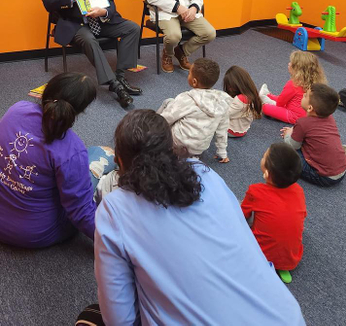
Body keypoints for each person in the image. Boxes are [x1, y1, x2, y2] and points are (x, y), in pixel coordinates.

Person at [83, 109, 305, 325]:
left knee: (91, 315)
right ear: (172, 149)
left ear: (120, 162)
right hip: (286, 315)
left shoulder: (114, 209)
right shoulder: (205, 173)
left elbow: (118, 319)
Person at [0, 73, 116, 248]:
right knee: (100, 153)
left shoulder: (16, 110)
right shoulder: (72, 148)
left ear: (46, 91)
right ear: (81, 110)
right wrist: (119, 247)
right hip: (32, 234)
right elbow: (81, 213)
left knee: (76, 161)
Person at [42, 0, 142, 108]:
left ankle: (120, 75)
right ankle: (115, 86)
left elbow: (111, 3)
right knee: (89, 40)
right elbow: (48, 2)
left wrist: (104, 12)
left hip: (100, 21)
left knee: (132, 28)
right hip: (74, 23)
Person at [241, 143, 306, 284]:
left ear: (267, 174)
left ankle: (266, 262)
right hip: (292, 258)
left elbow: (241, 215)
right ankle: (281, 266)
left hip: (259, 254)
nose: (262, 156)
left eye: (264, 156)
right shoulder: (299, 191)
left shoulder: (255, 191)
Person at [157, 58, 231, 163]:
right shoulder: (222, 103)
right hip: (199, 148)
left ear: (194, 81)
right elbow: (222, 130)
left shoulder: (186, 98)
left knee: (168, 102)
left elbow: (166, 118)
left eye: (189, 74)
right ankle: (191, 156)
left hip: (177, 145)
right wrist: (222, 152)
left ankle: (153, 134)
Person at [281, 83, 346, 187]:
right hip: (342, 170)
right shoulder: (330, 118)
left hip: (324, 177)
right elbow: (312, 131)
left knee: (284, 153)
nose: (303, 95)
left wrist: (287, 135)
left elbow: (292, 146)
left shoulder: (303, 123)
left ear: (310, 108)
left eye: (305, 95)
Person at [260, 51, 326, 123]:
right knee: (289, 100)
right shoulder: (317, 83)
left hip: (294, 115)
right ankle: (267, 95)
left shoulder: (293, 83)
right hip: (309, 115)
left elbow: (280, 103)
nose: (289, 64)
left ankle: (265, 99)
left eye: (291, 63)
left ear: (298, 70)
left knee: (265, 108)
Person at [223, 65, 262, 137]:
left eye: (230, 86)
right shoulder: (250, 93)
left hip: (231, 131)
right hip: (243, 128)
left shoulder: (240, 99)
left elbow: (225, 114)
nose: (229, 88)